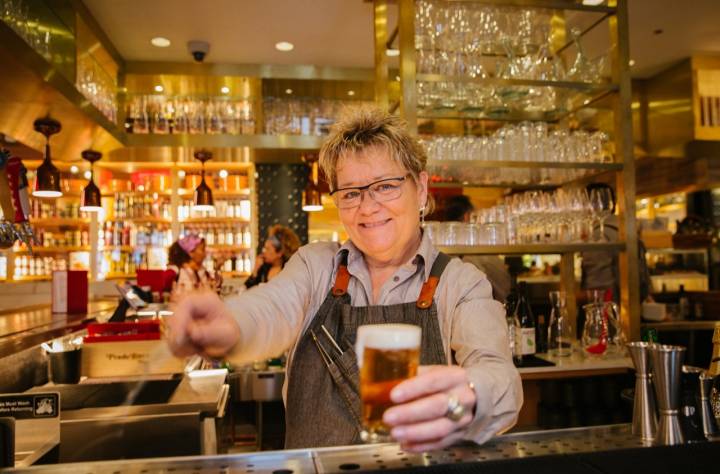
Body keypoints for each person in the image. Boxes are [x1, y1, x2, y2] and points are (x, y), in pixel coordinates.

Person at [167, 107, 522, 452]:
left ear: (422, 189)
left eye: (385, 186)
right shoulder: (316, 266)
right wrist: (229, 324)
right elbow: (268, 308)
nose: (367, 207)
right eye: (351, 193)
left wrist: (467, 401)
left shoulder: (460, 283)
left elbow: (499, 377)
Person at [443, 195, 512, 303]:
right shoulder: (481, 251)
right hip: (486, 312)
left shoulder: (442, 251)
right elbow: (505, 289)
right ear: (467, 216)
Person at [244, 224, 301, 289]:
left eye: (267, 249)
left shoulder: (289, 270)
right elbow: (246, 289)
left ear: (279, 253)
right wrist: (255, 270)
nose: (263, 251)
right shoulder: (263, 268)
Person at [168, 234, 218, 300]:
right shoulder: (177, 273)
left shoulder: (202, 273)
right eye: (202, 249)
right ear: (191, 252)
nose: (205, 253)